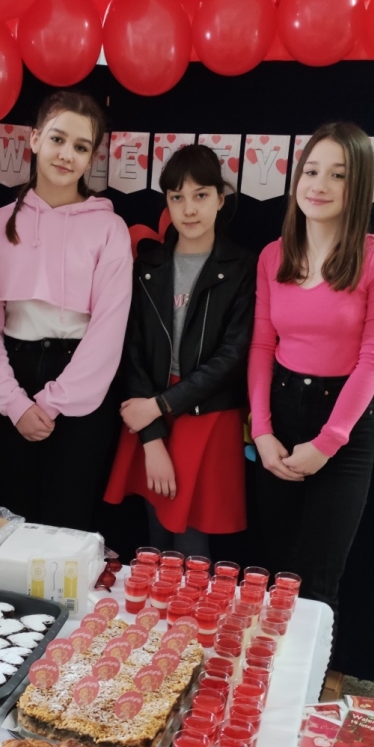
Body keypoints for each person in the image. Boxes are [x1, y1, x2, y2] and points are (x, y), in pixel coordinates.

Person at [248, 120, 374, 617]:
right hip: (278, 415)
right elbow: (261, 346)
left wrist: (327, 444)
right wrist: (261, 432)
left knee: (315, 587)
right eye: (311, 171)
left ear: (358, 186)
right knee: (271, 575)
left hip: (343, 425)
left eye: (338, 175)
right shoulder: (273, 256)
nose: (319, 185)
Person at [0, 90, 132, 531]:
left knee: (68, 527)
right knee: (8, 525)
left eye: (81, 147)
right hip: (9, 381)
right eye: (58, 139)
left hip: (80, 386)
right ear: (34, 139)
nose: (66, 154)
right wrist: (13, 402)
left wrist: (51, 402)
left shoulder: (110, 228)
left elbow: (107, 331)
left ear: (92, 158)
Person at [104, 144, 255, 556]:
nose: (189, 209)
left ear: (220, 199)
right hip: (149, 410)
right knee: (156, 535)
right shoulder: (147, 267)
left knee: (190, 543)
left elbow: (233, 356)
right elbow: (131, 349)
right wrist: (151, 434)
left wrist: (161, 405)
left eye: (200, 195)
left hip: (206, 414)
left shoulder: (243, 267)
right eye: (177, 197)